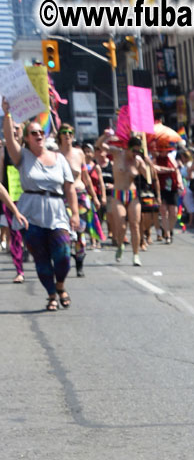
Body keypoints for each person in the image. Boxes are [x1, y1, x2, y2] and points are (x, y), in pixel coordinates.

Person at [2, 103, 79, 309]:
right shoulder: (22, 157)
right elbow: (9, 139)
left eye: (40, 132)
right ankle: (52, 295)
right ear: (27, 139)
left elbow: (70, 189)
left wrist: (75, 214)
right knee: (41, 258)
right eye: (33, 133)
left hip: (57, 212)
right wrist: (7, 114)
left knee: (63, 255)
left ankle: (60, 285)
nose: (38, 135)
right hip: (32, 214)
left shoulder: (59, 158)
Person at [57, 123, 99, 277]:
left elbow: (86, 176)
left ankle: (79, 264)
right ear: (60, 135)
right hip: (63, 197)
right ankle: (65, 261)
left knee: (80, 232)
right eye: (64, 132)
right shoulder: (55, 154)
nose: (67, 135)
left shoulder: (79, 153)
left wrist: (94, 196)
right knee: (65, 232)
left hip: (80, 195)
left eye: (70, 132)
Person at [111, 135, 150, 265]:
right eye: (134, 150)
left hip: (132, 194)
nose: (135, 153)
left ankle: (136, 255)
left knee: (135, 224)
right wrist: (106, 136)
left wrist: (147, 163)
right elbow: (100, 146)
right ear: (128, 149)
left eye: (138, 151)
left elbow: (148, 177)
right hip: (118, 193)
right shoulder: (118, 154)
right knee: (122, 226)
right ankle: (120, 245)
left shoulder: (138, 161)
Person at [1, 116, 26, 283]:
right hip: (12, 199)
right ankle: (19, 270)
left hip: (31, 198)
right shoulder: (3, 151)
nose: (15, 131)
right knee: (15, 235)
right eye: (12, 128)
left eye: (18, 128)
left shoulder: (29, 150)